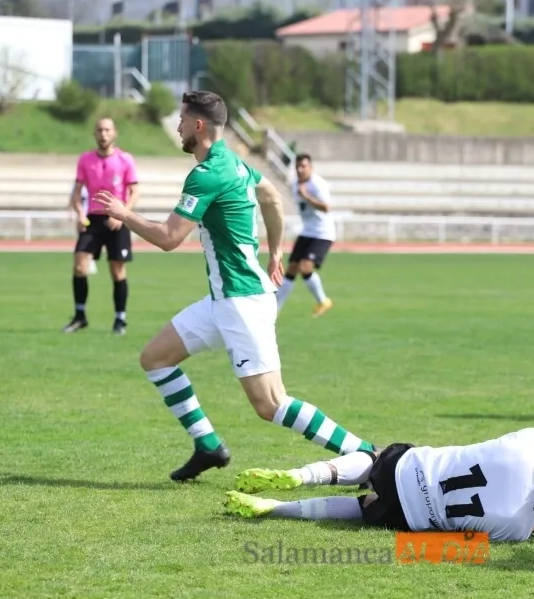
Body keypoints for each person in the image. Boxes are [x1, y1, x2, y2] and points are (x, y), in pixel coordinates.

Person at [92, 91, 375, 482]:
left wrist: (124, 214)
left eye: (182, 119)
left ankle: (366, 453)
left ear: (198, 125)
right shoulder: (235, 163)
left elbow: (169, 237)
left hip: (241, 302)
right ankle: (207, 445)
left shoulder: (207, 174)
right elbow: (272, 198)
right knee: (155, 358)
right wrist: (276, 252)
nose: (178, 126)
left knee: (271, 403)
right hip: (223, 300)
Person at [224, 427, 534, 543]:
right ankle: (275, 507)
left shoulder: (531, 441)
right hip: (407, 517)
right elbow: (466, 543)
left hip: (409, 469)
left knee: (374, 460)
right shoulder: (517, 528)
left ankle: (302, 475)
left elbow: (526, 474)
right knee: (364, 509)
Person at [63, 117, 139, 335]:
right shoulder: (85, 160)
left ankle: (120, 319)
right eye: (99, 130)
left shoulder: (125, 160)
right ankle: (80, 316)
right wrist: (80, 214)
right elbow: (76, 193)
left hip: (117, 219)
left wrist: (122, 214)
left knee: (117, 270)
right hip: (93, 219)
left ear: (114, 133)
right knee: (79, 264)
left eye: (107, 130)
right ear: (94, 134)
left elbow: (135, 192)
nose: (103, 134)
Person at [276, 153, 335, 317]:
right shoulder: (295, 184)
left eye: (304, 166)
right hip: (307, 231)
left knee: (305, 267)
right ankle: (275, 309)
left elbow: (326, 207)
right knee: (292, 268)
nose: (300, 169)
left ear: (311, 167)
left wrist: (307, 196)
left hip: (322, 233)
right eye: (298, 166)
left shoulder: (317, 184)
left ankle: (323, 301)